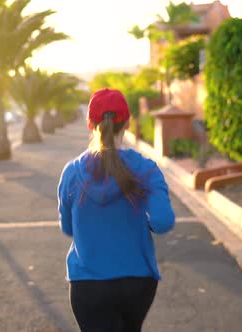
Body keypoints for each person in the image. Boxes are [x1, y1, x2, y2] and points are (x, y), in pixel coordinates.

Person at [57, 88, 176, 332]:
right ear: (128, 123)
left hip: (88, 283)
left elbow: (67, 228)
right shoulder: (146, 168)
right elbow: (163, 222)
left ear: (90, 124)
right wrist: (144, 225)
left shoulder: (72, 172)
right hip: (137, 282)